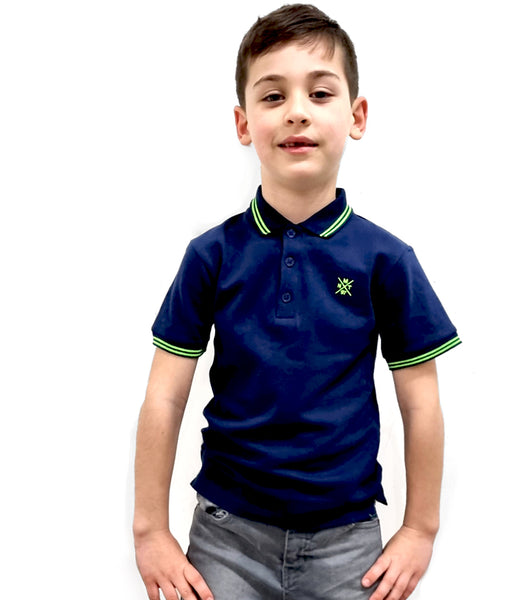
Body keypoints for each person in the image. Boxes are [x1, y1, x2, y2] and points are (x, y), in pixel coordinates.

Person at [133, 4, 461, 600]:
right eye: (273, 96)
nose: (297, 111)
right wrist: (150, 530)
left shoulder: (387, 260)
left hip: (349, 545)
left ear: (357, 116)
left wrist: (421, 528)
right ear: (243, 123)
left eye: (320, 92)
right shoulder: (211, 256)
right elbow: (165, 395)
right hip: (225, 538)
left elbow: (421, 404)